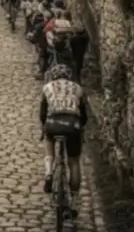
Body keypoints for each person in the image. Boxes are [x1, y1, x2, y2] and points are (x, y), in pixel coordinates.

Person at [40, 64, 88, 218]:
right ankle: (73, 200)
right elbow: (84, 115)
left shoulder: (47, 88)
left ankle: (48, 173)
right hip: (73, 124)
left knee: (48, 141)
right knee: (73, 161)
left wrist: (44, 128)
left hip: (53, 123)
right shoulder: (78, 88)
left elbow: (42, 113)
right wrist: (81, 128)